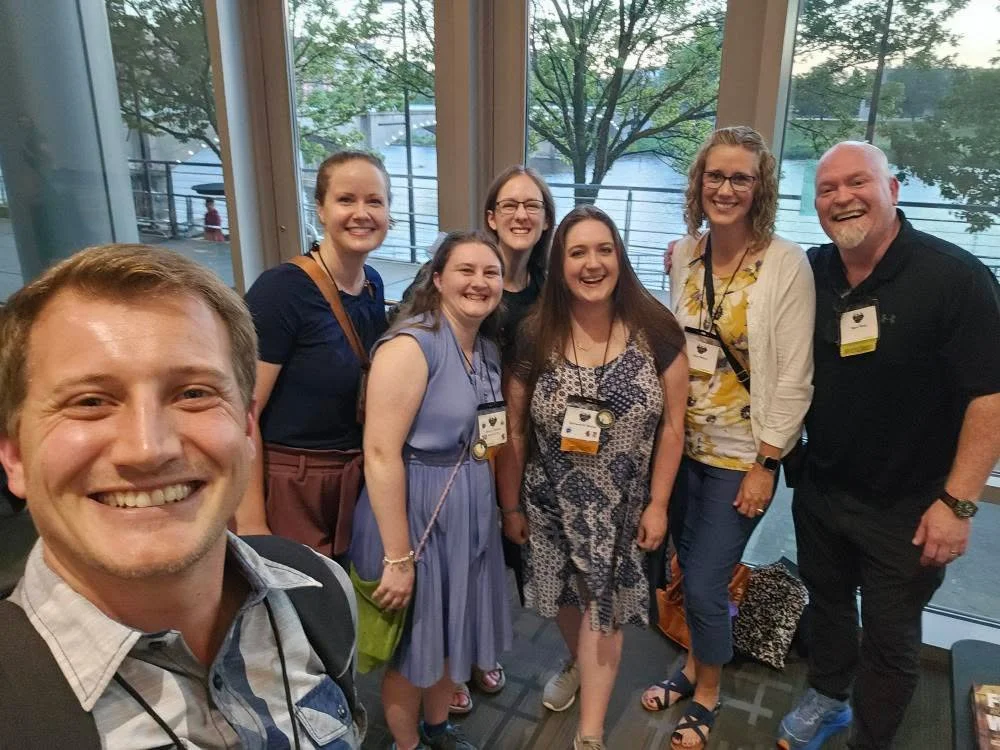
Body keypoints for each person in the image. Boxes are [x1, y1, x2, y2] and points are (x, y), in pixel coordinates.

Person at [0, 244, 364, 748]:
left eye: (193, 393)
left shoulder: (317, 593)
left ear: (246, 425)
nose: (148, 449)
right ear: (14, 456)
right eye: (89, 402)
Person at [776, 142, 1000, 750]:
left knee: (890, 640)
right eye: (827, 190)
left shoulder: (955, 278)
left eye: (857, 183)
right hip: (822, 489)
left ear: (893, 189)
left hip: (910, 507)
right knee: (827, 609)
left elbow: (990, 397)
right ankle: (827, 695)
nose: (842, 199)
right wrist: (686, 256)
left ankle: (869, 742)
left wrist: (958, 504)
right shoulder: (812, 272)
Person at [640, 126, 815, 749]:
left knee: (711, 579)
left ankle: (708, 693)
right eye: (715, 175)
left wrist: (767, 462)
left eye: (741, 177)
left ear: (761, 186)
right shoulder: (687, 253)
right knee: (687, 566)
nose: (726, 187)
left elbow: (795, 375)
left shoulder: (785, 264)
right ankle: (691, 667)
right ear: (699, 183)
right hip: (680, 446)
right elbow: (678, 348)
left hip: (740, 457)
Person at [498, 205, 688, 750]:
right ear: (558, 265)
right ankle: (578, 660)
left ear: (619, 257)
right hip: (549, 500)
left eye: (603, 249)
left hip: (621, 505)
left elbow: (675, 427)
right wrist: (510, 506)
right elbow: (512, 430)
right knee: (561, 600)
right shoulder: (535, 334)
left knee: (602, 610)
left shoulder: (656, 327)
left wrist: (658, 504)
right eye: (577, 252)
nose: (592, 263)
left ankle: (590, 734)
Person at [350, 231, 513, 750]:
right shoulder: (410, 345)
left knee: (454, 632)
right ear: (438, 279)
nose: (479, 282)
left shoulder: (485, 350)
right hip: (416, 510)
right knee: (412, 645)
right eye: (466, 270)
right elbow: (380, 453)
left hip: (468, 507)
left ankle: (439, 729)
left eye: (490, 273)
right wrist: (398, 557)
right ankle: (407, 745)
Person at [237, 150, 391, 562]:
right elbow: (243, 411)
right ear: (321, 209)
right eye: (346, 200)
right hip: (293, 488)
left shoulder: (372, 285)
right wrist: (251, 520)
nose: (362, 213)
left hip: (351, 481)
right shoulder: (282, 291)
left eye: (374, 201)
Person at [448, 164, 556, 714]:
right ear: (491, 216)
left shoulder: (546, 288)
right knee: (460, 550)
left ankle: (481, 646)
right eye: (509, 205)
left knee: (495, 554)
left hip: (520, 442)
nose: (520, 215)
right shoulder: (467, 271)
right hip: (462, 440)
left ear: (544, 220)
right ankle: (453, 659)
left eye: (531, 206)